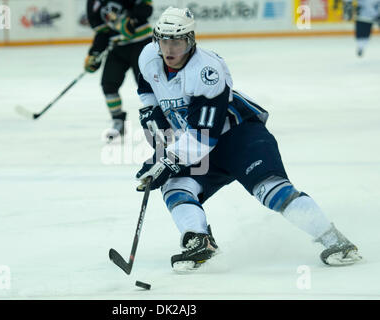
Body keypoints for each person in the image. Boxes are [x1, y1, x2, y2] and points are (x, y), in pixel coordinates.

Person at [134, 7, 362, 272]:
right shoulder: (149, 57)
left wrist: (167, 161)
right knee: (175, 186)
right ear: (156, 40)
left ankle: (336, 241)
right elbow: (148, 96)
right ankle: (199, 241)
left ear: (191, 40)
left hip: (239, 136)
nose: (170, 50)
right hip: (196, 143)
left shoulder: (207, 71)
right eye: (164, 41)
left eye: (178, 42)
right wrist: (161, 148)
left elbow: (203, 137)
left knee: (271, 191)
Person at [85, 0, 153, 142]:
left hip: (142, 44)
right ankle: (118, 121)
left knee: (147, 85)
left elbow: (146, 8)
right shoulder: (92, 4)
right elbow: (103, 32)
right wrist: (95, 53)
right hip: (118, 47)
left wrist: (133, 19)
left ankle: (160, 120)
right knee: (108, 85)